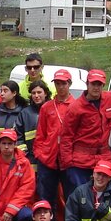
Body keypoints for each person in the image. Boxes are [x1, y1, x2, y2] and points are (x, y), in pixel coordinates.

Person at [61, 69, 111, 190]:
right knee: (83, 199)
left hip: (104, 158)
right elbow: (66, 137)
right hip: (80, 162)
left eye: (99, 84)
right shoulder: (75, 108)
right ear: (87, 84)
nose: (96, 87)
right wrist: (68, 165)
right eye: (93, 84)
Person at [33, 68, 74, 208]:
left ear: (69, 84)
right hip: (47, 159)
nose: (60, 87)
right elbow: (40, 134)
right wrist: (40, 154)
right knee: (46, 198)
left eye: (63, 83)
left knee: (71, 197)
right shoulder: (46, 107)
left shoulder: (77, 106)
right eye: (57, 83)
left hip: (69, 160)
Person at [0, 80, 27, 150]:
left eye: (5, 91)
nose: (1, 94)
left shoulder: (23, 113)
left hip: (16, 154)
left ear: (14, 93)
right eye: (1, 91)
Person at [23, 80, 47, 163]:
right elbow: (19, 136)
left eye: (39, 92)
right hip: (29, 158)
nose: (36, 96)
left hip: (48, 157)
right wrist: (24, 155)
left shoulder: (52, 109)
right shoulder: (25, 113)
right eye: (33, 93)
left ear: (46, 93)